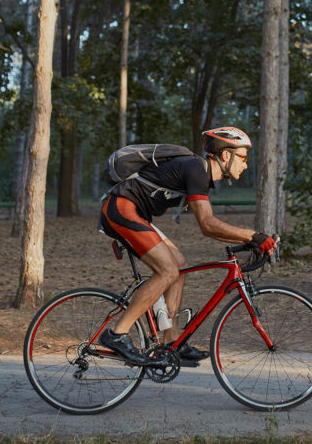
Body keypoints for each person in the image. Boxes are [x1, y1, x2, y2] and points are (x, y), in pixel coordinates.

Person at [98, 126, 277, 367]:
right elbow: (207, 225)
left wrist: (249, 239)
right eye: (243, 158)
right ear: (226, 155)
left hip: (134, 213)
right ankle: (117, 334)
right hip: (121, 208)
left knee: (179, 266)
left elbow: (209, 226)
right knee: (168, 271)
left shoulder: (199, 173)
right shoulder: (196, 170)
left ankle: (172, 343)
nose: (245, 165)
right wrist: (252, 236)